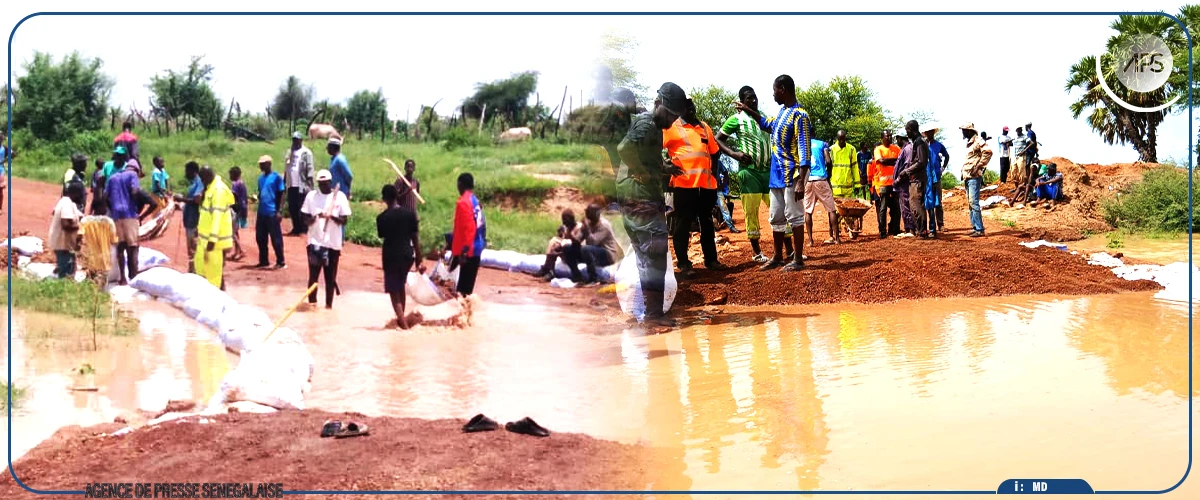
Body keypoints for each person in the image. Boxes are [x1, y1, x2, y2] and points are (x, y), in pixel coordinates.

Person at [615, 82, 685, 328]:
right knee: (653, 252)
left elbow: (643, 155)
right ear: (659, 105)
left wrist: (665, 168)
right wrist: (642, 173)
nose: (673, 120)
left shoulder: (653, 126)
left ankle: (651, 314)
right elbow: (624, 149)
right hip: (638, 196)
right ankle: (653, 316)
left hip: (638, 195)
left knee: (648, 254)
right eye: (671, 114)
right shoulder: (647, 123)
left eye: (676, 116)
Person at [735, 75, 812, 272]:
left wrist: (802, 182)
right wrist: (747, 111)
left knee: (794, 216)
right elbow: (766, 124)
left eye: (775, 90)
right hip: (776, 175)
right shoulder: (782, 113)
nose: (773, 94)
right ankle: (778, 256)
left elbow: (805, 151)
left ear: (783, 89)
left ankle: (798, 260)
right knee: (776, 216)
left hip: (791, 175)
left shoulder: (799, 115)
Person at [663, 98, 725, 278]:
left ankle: (711, 260)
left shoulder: (705, 127)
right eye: (684, 105)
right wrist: (665, 166)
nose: (689, 108)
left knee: (707, 222)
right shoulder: (671, 127)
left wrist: (713, 174)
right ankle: (684, 264)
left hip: (705, 185)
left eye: (691, 104)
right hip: (684, 186)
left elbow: (714, 153)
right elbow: (652, 147)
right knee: (682, 224)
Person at [717, 85, 777, 263]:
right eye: (749, 98)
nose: (753, 100)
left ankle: (788, 250)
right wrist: (734, 154)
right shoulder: (736, 119)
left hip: (768, 172)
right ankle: (757, 252)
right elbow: (718, 138)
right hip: (749, 173)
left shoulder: (763, 118)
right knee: (751, 212)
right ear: (742, 101)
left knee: (778, 209)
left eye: (755, 97)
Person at [301, 170, 352, 309]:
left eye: (325, 183)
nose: (323, 186)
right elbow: (304, 218)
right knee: (313, 277)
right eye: (320, 184)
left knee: (330, 278)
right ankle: (312, 305)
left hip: (332, 244)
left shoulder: (339, 197)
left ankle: (329, 306)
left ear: (330, 182)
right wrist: (315, 218)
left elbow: (344, 220)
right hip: (315, 242)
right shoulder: (311, 196)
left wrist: (332, 217)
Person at [377, 183, 424, 329]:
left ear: (384, 199)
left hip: (391, 256)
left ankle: (403, 325)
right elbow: (415, 237)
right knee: (400, 286)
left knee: (393, 290)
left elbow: (382, 235)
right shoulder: (409, 214)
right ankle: (401, 319)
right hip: (407, 255)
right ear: (397, 196)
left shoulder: (382, 218)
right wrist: (419, 259)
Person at [194, 166, 235, 289]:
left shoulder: (218, 191)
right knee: (203, 269)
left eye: (202, 179)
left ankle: (218, 298)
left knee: (213, 275)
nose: (201, 181)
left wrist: (212, 240)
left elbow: (217, 217)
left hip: (214, 243)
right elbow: (207, 213)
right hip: (205, 240)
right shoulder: (211, 189)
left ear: (207, 177)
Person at [105, 157, 142, 285]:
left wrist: (113, 207)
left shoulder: (113, 177)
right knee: (132, 246)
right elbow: (135, 190)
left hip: (116, 215)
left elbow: (105, 196)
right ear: (136, 169)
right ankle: (133, 276)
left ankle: (122, 279)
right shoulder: (133, 175)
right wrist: (135, 202)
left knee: (120, 246)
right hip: (130, 214)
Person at [450, 172, 487, 297]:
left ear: (461, 185)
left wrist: (464, 252)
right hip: (476, 247)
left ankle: (461, 315)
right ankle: (465, 314)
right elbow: (482, 224)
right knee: (465, 289)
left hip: (467, 251)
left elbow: (469, 228)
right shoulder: (475, 201)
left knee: (460, 291)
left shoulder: (463, 203)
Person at [897, 120, 930, 238]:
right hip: (915, 179)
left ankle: (922, 231)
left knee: (917, 205)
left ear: (911, 130)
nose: (907, 133)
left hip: (918, 179)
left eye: (907, 130)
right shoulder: (917, 142)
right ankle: (921, 231)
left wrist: (906, 171)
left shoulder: (920, 143)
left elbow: (921, 162)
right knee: (915, 204)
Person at [959, 122, 993, 237]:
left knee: (974, 202)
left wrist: (979, 166)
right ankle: (975, 227)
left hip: (974, 176)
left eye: (964, 130)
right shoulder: (970, 143)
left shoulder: (978, 140)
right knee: (970, 203)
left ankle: (979, 229)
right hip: (968, 176)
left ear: (969, 131)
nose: (962, 132)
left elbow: (988, 152)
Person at [534, 209, 586, 282]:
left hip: (577, 255)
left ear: (572, 219)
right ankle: (549, 270)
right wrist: (560, 235)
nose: (564, 223)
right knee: (554, 242)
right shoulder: (566, 227)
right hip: (566, 253)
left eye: (565, 220)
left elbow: (578, 244)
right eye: (563, 220)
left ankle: (548, 269)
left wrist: (566, 238)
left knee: (560, 243)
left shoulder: (579, 227)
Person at [804, 136, 839, 245]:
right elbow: (828, 161)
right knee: (831, 209)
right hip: (821, 179)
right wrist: (829, 175)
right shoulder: (822, 144)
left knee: (808, 211)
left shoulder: (803, 145)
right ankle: (837, 239)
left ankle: (810, 240)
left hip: (808, 180)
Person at [255, 155, 286, 269]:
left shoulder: (276, 177)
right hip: (261, 212)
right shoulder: (260, 179)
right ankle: (264, 260)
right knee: (260, 237)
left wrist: (280, 211)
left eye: (262, 164)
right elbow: (261, 192)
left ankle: (281, 261)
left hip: (272, 211)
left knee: (276, 238)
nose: (260, 166)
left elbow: (282, 193)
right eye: (260, 164)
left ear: (269, 164)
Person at [869, 131, 902, 238]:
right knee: (882, 208)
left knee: (896, 207)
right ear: (882, 138)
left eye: (890, 136)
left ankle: (895, 228)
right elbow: (882, 161)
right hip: (883, 184)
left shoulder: (896, 148)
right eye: (887, 136)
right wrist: (895, 161)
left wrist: (892, 161)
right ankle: (882, 231)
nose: (889, 137)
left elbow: (900, 161)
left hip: (895, 183)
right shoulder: (878, 149)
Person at [50, 183, 85, 279]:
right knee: (66, 273)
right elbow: (65, 224)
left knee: (70, 268)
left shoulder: (68, 202)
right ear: (75, 193)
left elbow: (80, 216)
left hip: (65, 244)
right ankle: (63, 291)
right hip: (63, 244)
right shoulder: (67, 204)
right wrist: (78, 227)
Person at [577, 204, 620, 283]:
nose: (587, 214)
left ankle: (593, 278)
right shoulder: (588, 223)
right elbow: (578, 240)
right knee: (570, 248)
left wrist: (586, 228)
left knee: (585, 249)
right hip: (594, 253)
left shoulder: (604, 225)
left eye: (589, 212)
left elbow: (593, 242)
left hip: (608, 255)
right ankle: (576, 276)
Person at [174, 161, 204, 273]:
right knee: (191, 249)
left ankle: (195, 273)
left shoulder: (199, 182)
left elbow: (197, 200)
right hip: (189, 220)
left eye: (187, 171)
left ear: (193, 171)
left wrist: (182, 199)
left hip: (195, 221)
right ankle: (192, 271)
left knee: (194, 248)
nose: (185, 173)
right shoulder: (193, 183)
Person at [285, 131, 315, 236]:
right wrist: (285, 181)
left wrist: (310, 187)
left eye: (297, 140)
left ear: (301, 140)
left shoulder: (306, 152)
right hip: (291, 184)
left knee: (302, 207)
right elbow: (287, 168)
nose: (295, 142)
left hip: (302, 185)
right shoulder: (289, 152)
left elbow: (310, 170)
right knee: (292, 207)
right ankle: (296, 228)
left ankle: (303, 229)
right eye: (293, 140)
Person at [923, 127, 950, 235]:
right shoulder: (923, 145)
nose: (929, 134)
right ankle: (928, 226)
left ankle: (940, 224)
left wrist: (943, 168)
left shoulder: (939, 145)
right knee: (928, 202)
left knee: (938, 201)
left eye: (931, 132)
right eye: (927, 132)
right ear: (925, 134)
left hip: (937, 177)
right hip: (926, 177)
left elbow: (947, 156)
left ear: (933, 133)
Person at [829, 130, 859, 199]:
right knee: (837, 208)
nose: (842, 141)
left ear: (845, 138)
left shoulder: (851, 149)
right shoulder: (831, 150)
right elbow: (828, 168)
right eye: (840, 139)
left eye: (843, 139)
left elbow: (854, 167)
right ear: (837, 139)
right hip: (835, 188)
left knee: (847, 208)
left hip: (847, 188)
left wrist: (857, 185)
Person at [228, 166, 248, 262]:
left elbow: (233, 196)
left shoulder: (235, 184)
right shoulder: (242, 183)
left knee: (232, 231)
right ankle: (237, 252)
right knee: (235, 231)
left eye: (231, 174)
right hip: (243, 208)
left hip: (236, 209)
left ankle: (241, 250)